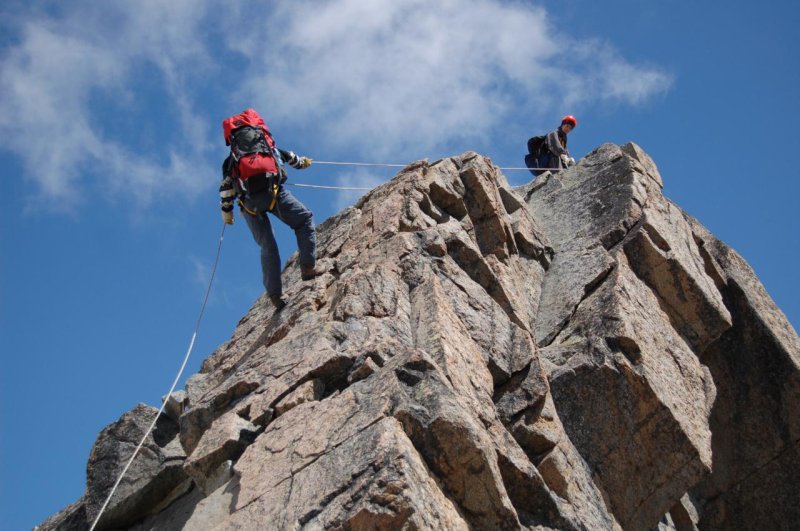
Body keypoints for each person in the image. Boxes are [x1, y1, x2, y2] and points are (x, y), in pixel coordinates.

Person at [219, 109, 324, 310]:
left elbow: (226, 188)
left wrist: (227, 213)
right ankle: (308, 267)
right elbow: (295, 160)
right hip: (275, 193)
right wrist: (305, 163)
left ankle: (276, 296)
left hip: (250, 205)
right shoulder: (269, 148)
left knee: (268, 247)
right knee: (304, 220)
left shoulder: (232, 160)